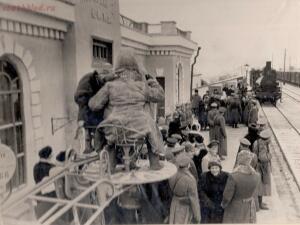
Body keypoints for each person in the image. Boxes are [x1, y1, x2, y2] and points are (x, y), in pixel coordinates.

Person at [89, 49, 165, 171]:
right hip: (139, 128)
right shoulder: (141, 86)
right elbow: (160, 95)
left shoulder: (110, 86)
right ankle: (154, 163)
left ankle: (111, 166)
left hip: (115, 128)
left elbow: (93, 105)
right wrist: (151, 80)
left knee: (111, 135)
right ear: (135, 68)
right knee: (152, 126)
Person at [74, 65, 116, 153]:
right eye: (104, 80)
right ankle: (97, 148)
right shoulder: (87, 81)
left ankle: (106, 148)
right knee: (100, 127)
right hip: (88, 112)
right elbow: (81, 101)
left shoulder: (104, 82)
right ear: (98, 76)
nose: (105, 83)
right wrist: (81, 118)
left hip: (99, 110)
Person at [221, 150, 260, 223]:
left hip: (235, 208)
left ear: (239, 160)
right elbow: (255, 193)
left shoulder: (234, 176)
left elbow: (227, 196)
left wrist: (223, 205)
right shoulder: (256, 176)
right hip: (250, 207)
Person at [169, 154, 201, 224]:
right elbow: (194, 200)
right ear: (188, 164)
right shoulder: (190, 179)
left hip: (174, 203)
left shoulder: (173, 173)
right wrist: (197, 217)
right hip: (185, 207)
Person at [252, 129, 272, 210]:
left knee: (260, 185)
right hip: (262, 168)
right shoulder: (263, 145)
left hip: (257, 166)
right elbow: (263, 158)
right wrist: (270, 155)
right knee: (261, 186)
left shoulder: (257, 142)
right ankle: (259, 204)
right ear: (266, 138)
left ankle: (259, 203)